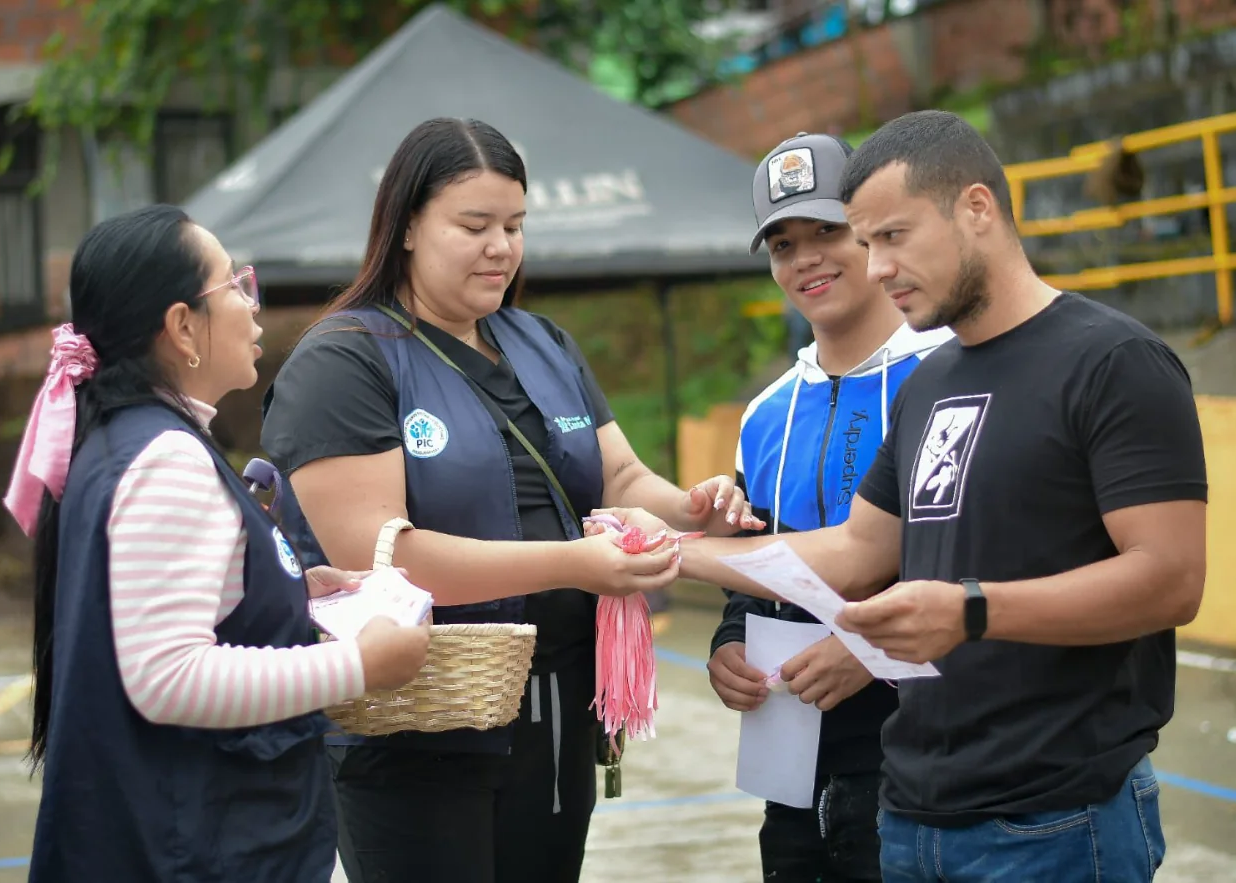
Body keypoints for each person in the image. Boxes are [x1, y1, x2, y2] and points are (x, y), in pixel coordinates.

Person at [597, 110, 1207, 882]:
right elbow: (856, 551)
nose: (877, 264)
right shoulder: (930, 385)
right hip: (910, 811)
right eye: (866, 239)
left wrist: (964, 613)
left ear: (976, 208)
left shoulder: (1112, 360)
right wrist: (670, 554)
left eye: (887, 236)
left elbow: (1170, 580)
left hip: (1053, 812)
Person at [258, 116, 761, 883]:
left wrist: (693, 507)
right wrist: (574, 564)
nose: (500, 246)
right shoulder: (345, 361)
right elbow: (378, 556)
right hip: (417, 728)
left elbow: (619, 477)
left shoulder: (542, 342)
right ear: (406, 227)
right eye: (474, 226)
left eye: (515, 225)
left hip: (557, 709)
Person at [3, 204, 431, 883]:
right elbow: (167, 677)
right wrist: (360, 663)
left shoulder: (132, 437)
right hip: (193, 850)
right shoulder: (167, 458)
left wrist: (284, 589)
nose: (252, 304)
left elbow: (155, 612)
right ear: (182, 326)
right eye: (234, 284)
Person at [709, 132, 950, 882]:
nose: (806, 259)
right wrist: (728, 644)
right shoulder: (764, 414)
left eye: (826, 231)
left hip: (923, 771)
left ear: (871, 233)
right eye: (783, 244)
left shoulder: (948, 375)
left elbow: (985, 565)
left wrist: (870, 653)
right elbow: (754, 566)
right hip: (791, 767)